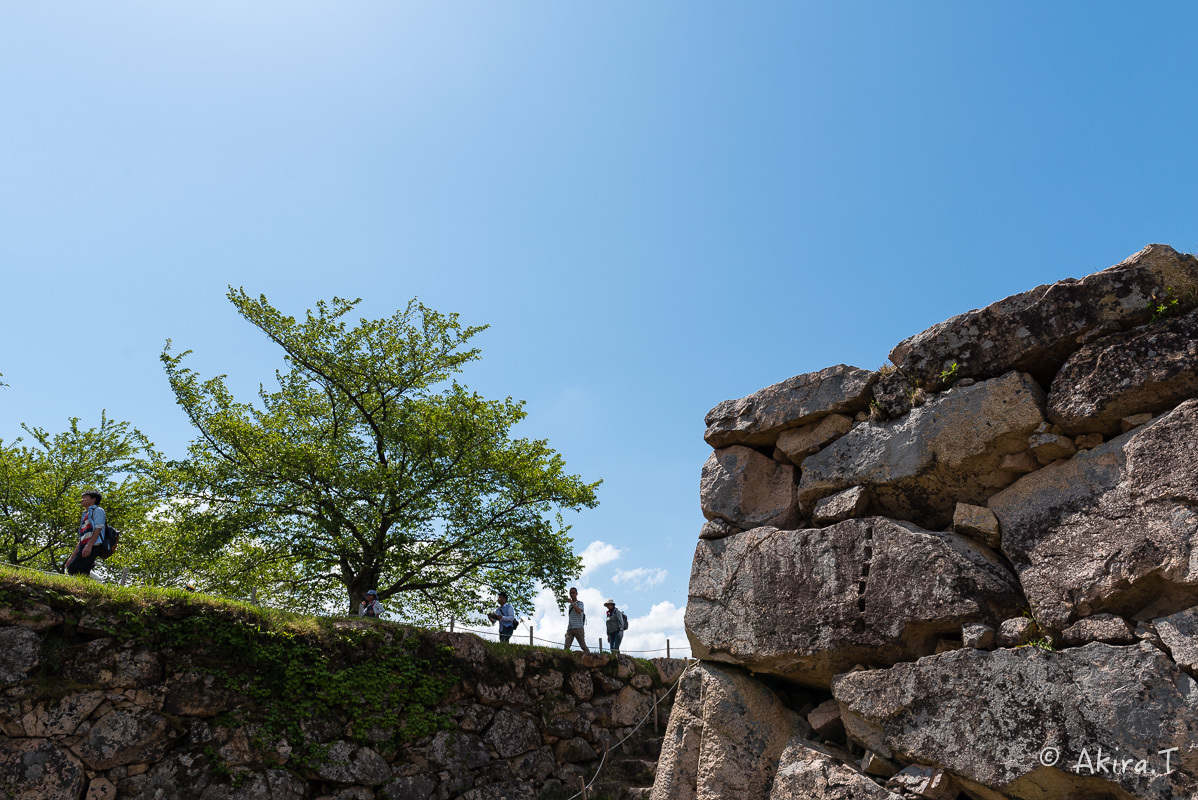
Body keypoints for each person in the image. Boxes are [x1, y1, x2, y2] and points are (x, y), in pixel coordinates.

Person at [66, 490, 106, 577]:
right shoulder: (85, 514)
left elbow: (98, 529)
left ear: (93, 499)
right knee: (83, 572)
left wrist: (89, 546)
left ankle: (99, 582)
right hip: (84, 546)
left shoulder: (98, 510)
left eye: (85, 498)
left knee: (73, 568)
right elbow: (82, 537)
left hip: (94, 545)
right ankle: (91, 587)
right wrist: (71, 557)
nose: (82, 500)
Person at [563, 587, 589, 652]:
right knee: (566, 646)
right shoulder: (570, 606)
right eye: (570, 593)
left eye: (573, 593)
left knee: (583, 646)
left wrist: (572, 603)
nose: (572, 594)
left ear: (576, 594)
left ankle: (590, 656)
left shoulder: (580, 603)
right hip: (570, 628)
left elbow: (578, 611)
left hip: (578, 627)